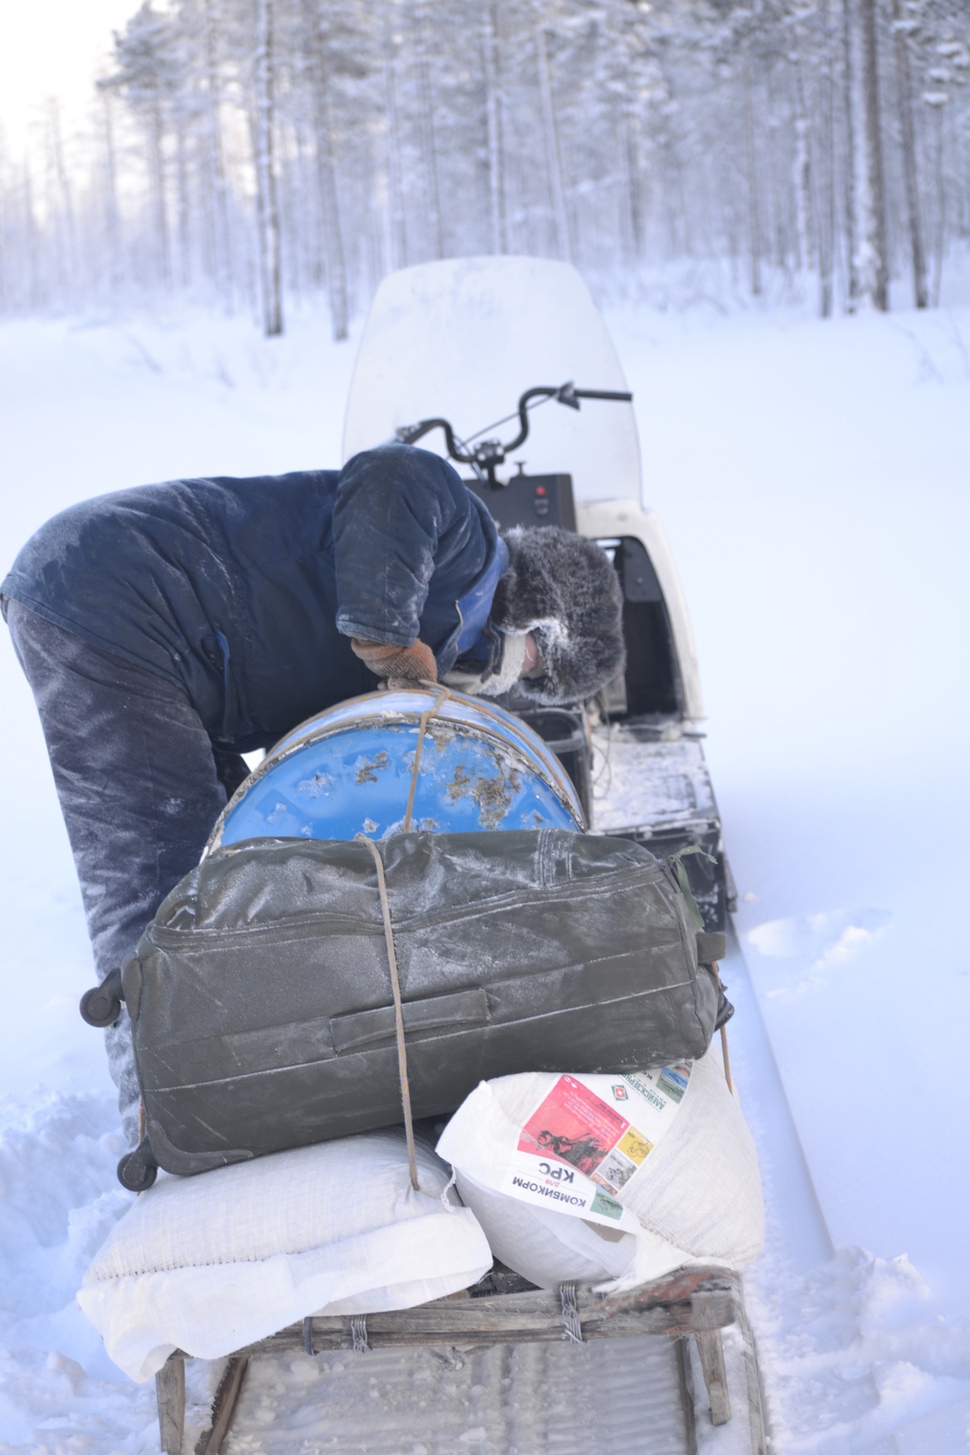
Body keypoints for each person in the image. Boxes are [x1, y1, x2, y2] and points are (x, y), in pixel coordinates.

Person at [2, 444, 625, 1141]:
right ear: (543, 618)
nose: (517, 681)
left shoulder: (444, 631)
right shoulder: (468, 551)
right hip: (121, 594)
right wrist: (386, 639)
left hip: (168, 643)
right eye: (536, 669)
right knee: (154, 881)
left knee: (222, 877)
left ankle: (209, 1084)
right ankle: (162, 1118)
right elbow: (391, 476)